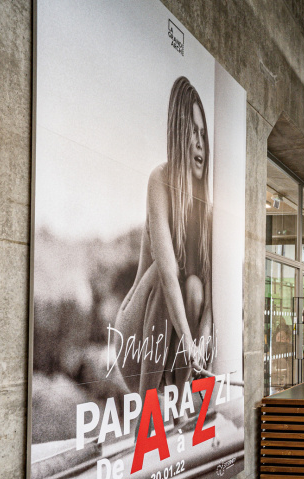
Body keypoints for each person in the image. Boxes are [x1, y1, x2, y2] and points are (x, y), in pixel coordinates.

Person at [116, 76, 213, 408]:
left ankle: (179, 404)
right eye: (193, 133)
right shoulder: (160, 179)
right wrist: (188, 341)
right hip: (136, 342)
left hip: (173, 353)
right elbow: (169, 275)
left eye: (204, 134)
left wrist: (199, 347)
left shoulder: (207, 208)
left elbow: (210, 300)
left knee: (197, 286)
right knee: (161, 270)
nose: (200, 143)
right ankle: (148, 411)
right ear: (178, 136)